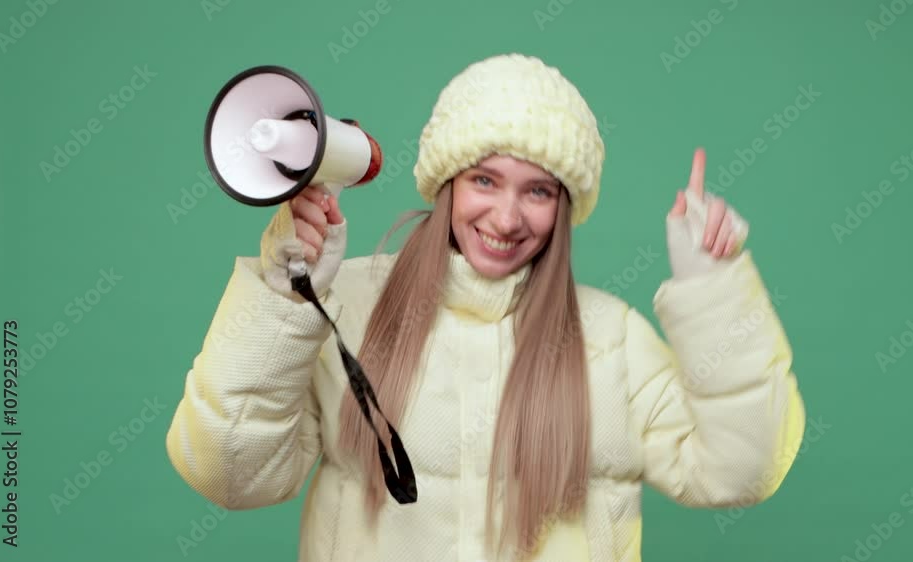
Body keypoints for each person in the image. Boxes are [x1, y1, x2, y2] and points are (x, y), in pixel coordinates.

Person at [166, 53, 806, 562]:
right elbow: (227, 474)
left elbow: (742, 471)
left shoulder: (612, 340)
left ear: (564, 207)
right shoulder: (344, 312)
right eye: (484, 180)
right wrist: (288, 299)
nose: (506, 217)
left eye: (537, 190)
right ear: (446, 184)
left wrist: (714, 289)